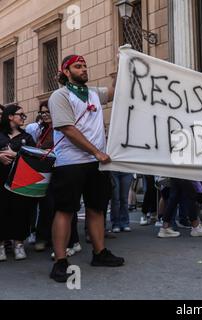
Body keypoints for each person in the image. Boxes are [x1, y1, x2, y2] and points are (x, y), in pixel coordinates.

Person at [48, 54, 124, 283]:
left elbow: (114, 91)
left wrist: (122, 65)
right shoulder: (59, 96)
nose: (83, 69)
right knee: (65, 211)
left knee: (97, 208)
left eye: (84, 66)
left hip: (95, 164)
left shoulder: (93, 93)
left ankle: (99, 253)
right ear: (66, 72)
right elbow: (68, 129)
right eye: (77, 67)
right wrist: (96, 152)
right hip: (71, 163)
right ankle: (60, 261)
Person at [0, 104, 36, 261]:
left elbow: (35, 159)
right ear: (10, 117)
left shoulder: (27, 137)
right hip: (1, 182)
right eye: (20, 114)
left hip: (20, 183)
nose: (23, 117)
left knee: (20, 211)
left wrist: (17, 155)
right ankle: (1, 245)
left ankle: (19, 244)